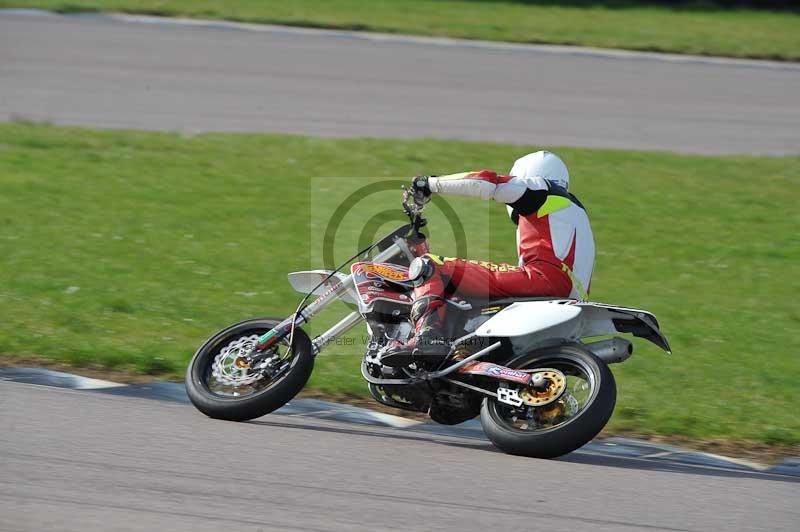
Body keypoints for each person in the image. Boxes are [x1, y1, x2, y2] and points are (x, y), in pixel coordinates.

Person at [380, 151, 596, 366]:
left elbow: (486, 182)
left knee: (429, 265)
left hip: (544, 280)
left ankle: (426, 338)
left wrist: (431, 183)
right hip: (575, 297)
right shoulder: (575, 212)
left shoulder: (541, 190)